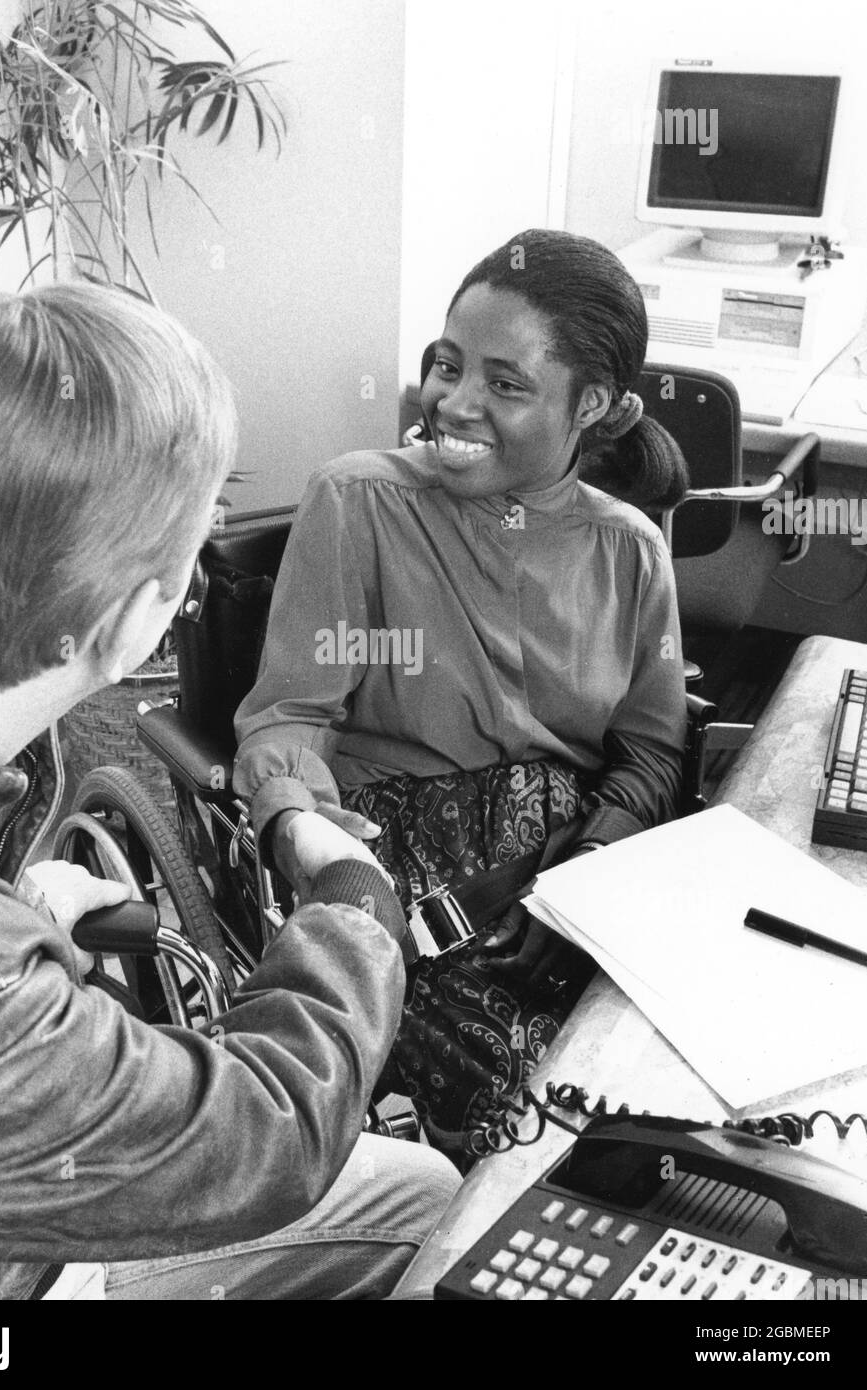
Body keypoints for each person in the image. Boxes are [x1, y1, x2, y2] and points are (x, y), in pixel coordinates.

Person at [0, 283, 459, 1303]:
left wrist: (16, 914)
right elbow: (272, 1132)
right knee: (429, 1203)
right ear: (138, 619)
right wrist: (354, 901)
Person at [234, 229, 690, 1159]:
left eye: (506, 382)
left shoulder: (630, 550)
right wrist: (295, 828)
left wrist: (587, 874)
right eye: (448, 365)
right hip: (408, 872)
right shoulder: (360, 504)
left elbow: (649, 750)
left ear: (593, 403)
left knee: (663, 1071)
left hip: (568, 872)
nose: (455, 402)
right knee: (534, 1126)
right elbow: (291, 714)